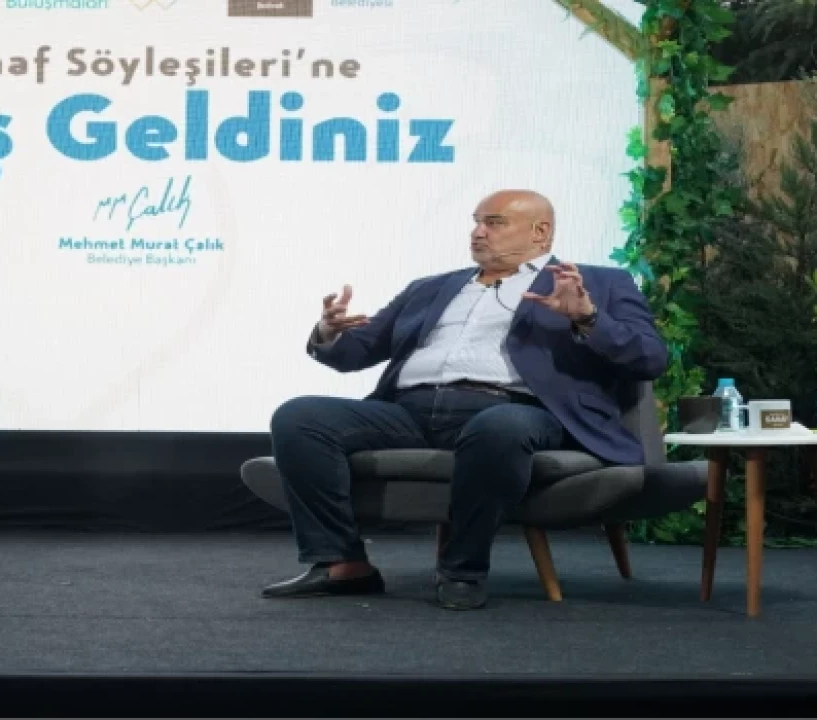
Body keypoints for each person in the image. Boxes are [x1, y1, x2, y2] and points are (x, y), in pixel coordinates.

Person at [261, 189, 668, 610]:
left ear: (540, 231)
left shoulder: (600, 283)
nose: (477, 232)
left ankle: (462, 569)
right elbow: (354, 354)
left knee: (499, 428)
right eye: (476, 222)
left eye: (494, 222)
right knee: (300, 417)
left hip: (517, 410)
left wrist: (587, 317)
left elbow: (650, 358)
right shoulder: (431, 287)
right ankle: (341, 563)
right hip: (410, 411)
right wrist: (329, 333)